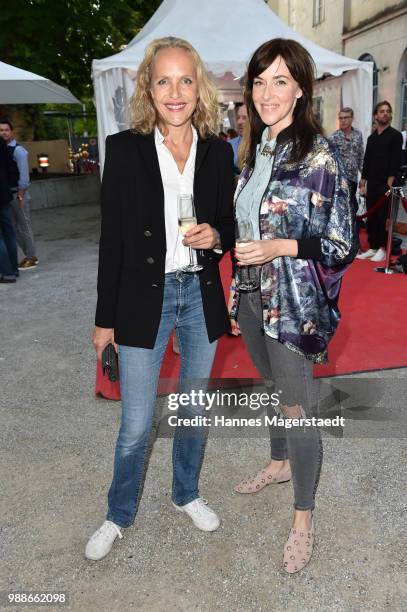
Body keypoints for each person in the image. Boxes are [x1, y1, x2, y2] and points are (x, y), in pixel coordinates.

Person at [85, 36, 235, 561]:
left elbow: (232, 226)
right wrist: (105, 320)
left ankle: (186, 493)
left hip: (198, 293)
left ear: (200, 88)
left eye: (186, 80)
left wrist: (215, 236)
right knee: (136, 422)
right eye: (164, 80)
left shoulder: (218, 150)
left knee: (194, 410)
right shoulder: (124, 149)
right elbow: (111, 240)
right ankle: (118, 513)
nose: (176, 92)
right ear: (149, 88)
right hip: (140, 299)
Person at [230, 38, 357, 574]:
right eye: (259, 81)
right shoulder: (257, 149)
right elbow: (245, 226)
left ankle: (303, 518)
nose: (266, 92)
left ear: (301, 88)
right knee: (271, 390)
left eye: (279, 80)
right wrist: (240, 293)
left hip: (295, 306)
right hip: (255, 297)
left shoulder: (319, 155)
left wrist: (281, 247)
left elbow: (342, 244)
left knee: (298, 409)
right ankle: (279, 463)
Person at [357, 101, 402, 261]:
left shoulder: (395, 136)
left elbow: (395, 161)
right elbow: (367, 161)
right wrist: (363, 181)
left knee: (384, 218)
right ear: (376, 115)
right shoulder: (372, 138)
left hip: (386, 184)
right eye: (381, 111)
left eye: (387, 111)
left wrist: (390, 183)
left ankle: (383, 248)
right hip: (372, 183)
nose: (385, 114)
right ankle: (374, 246)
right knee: (372, 216)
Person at [0, 119, 38, 270]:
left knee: (24, 225)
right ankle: (28, 255)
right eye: (0, 130)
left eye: (6, 130)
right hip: (8, 194)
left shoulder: (18, 150)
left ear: (12, 132)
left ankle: (32, 257)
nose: (3, 133)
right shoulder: (3, 149)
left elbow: (24, 175)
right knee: (15, 228)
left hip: (18, 194)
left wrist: (21, 194)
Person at [329, 108, 364, 218]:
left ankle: (352, 229)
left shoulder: (358, 134)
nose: (343, 120)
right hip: (340, 180)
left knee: (352, 207)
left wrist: (364, 177)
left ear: (352, 118)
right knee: (345, 207)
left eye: (346, 118)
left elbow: (360, 156)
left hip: (353, 178)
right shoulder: (334, 137)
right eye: (341, 118)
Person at [0, 136, 18, 283]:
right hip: (4, 193)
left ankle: (7, 273)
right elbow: (10, 166)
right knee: (9, 232)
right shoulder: (0, 142)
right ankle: (14, 269)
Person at [229, 103, 248, 173]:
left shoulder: (264, 145)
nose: (239, 122)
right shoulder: (229, 146)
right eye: (238, 118)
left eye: (244, 118)